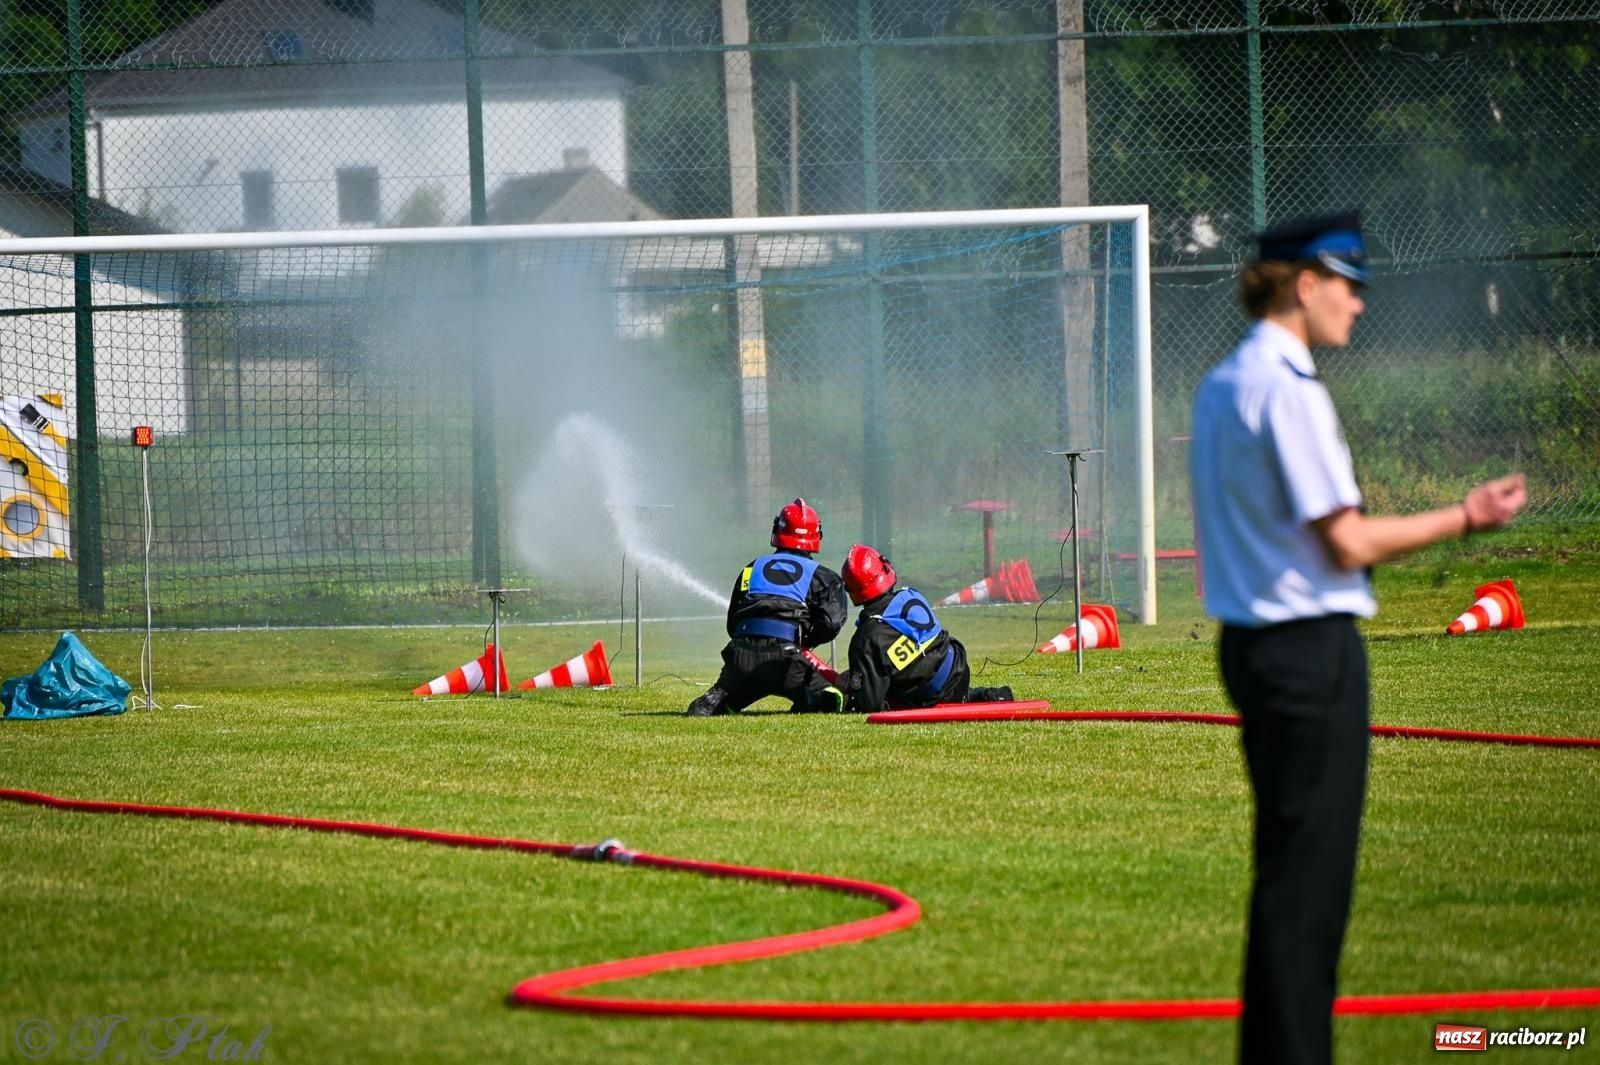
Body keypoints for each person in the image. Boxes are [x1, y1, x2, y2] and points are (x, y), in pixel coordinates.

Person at [1188, 210, 1527, 1065]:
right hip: (1308, 648)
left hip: (1252, 647)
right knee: (1312, 885)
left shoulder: (1222, 382)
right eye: (1350, 286)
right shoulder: (1290, 390)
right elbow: (1345, 539)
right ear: (1307, 284)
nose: (1359, 306)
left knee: (1286, 870)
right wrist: (1466, 516)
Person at [685, 498, 849, 717]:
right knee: (836, 699)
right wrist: (806, 642)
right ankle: (809, 700)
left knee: (720, 700)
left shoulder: (751, 569)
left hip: (740, 657)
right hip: (786, 661)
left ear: (777, 530)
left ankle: (716, 699)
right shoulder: (824, 577)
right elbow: (831, 623)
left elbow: (733, 621)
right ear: (816, 535)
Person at [837, 543, 1015, 712]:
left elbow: (869, 705)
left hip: (933, 695)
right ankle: (977, 695)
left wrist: (855, 687)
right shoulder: (910, 595)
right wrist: (861, 672)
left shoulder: (867, 637)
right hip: (958, 670)